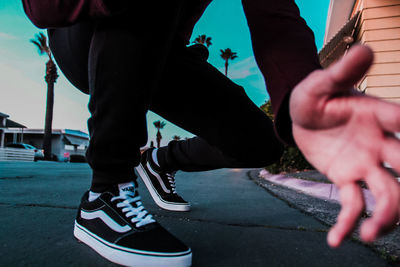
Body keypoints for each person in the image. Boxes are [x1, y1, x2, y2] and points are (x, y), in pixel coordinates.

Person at [22, 0, 400, 266]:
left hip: (161, 53)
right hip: (86, 36)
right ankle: (106, 191)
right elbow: (40, 8)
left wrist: (306, 102)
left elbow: (275, 15)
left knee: (259, 142)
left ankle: (160, 162)